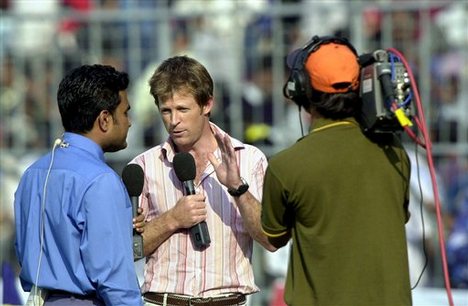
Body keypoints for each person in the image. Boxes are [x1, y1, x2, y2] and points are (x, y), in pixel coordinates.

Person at [260, 35, 412, 305]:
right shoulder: (396, 153)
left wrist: (238, 188)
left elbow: (272, 239)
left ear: (301, 90)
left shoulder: (286, 166)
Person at [129, 55, 275, 306]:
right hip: (162, 300)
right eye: (166, 110)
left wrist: (238, 190)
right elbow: (129, 250)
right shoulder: (142, 167)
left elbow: (270, 240)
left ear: (207, 105)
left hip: (228, 300)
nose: (174, 121)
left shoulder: (250, 160)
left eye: (183, 109)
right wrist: (172, 219)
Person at [14, 64, 144, 306]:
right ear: (105, 119)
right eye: (126, 113)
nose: (130, 122)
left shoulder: (32, 173)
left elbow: (23, 251)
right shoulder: (101, 181)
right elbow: (115, 281)